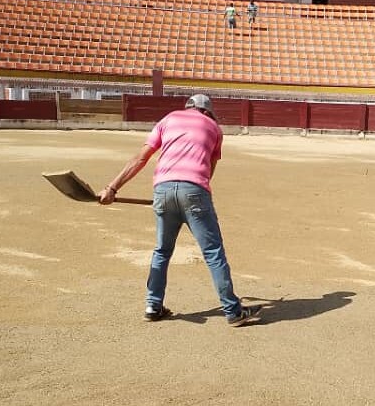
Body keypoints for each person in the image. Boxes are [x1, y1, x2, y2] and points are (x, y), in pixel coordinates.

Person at [98, 94, 261, 327]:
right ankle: (233, 311)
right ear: (207, 111)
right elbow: (209, 170)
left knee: (162, 251)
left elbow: (141, 158)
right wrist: (194, 195)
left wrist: (112, 188)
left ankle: (153, 306)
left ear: (188, 108)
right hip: (195, 191)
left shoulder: (169, 119)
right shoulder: (214, 128)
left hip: (162, 190)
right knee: (213, 252)